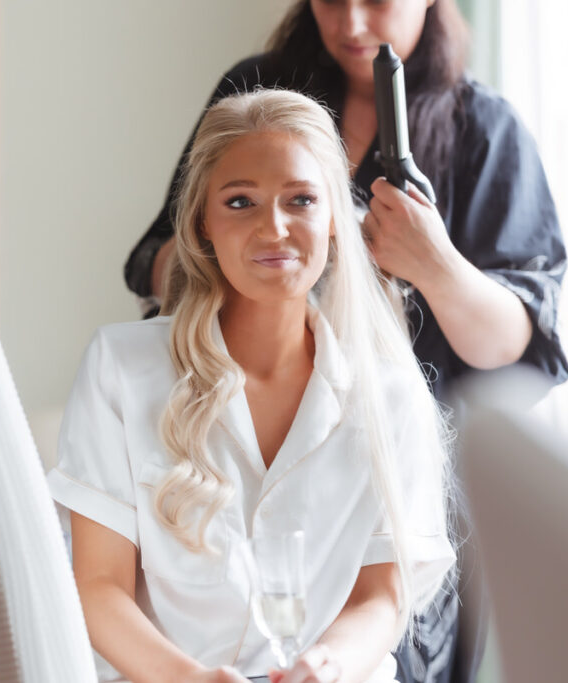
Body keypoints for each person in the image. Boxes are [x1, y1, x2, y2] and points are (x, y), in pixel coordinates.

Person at [124, 2, 568, 682]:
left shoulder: (485, 132)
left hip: (403, 481)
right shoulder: (256, 95)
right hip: (258, 464)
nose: (352, 23)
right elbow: (161, 254)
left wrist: (433, 262)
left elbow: (515, 343)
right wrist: (263, 257)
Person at [48, 89, 455, 683]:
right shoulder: (120, 367)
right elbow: (100, 586)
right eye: (241, 202)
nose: (274, 228)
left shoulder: (391, 394)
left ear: (337, 221)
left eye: (302, 200)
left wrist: (328, 666)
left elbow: (384, 596)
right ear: (202, 223)